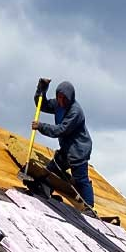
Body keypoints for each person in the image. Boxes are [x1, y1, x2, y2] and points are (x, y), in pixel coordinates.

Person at [32, 78, 95, 212]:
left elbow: (61, 130)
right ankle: (44, 187)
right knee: (52, 168)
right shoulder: (58, 105)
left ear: (70, 97)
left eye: (63, 98)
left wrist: (41, 126)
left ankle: (89, 207)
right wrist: (42, 88)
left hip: (78, 150)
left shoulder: (75, 112)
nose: (60, 101)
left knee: (80, 179)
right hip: (66, 148)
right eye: (58, 97)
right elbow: (41, 105)